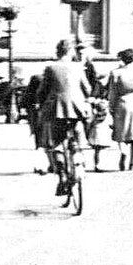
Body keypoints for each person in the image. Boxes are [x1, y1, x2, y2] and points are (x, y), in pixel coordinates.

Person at [37, 39, 93, 195]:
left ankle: (62, 176)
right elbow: (87, 89)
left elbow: (42, 91)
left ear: (58, 52)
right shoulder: (78, 67)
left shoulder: (51, 68)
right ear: (71, 52)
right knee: (77, 131)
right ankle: (78, 153)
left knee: (56, 142)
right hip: (76, 107)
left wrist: (41, 103)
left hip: (57, 108)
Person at [76, 44, 112, 170]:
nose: (81, 56)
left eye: (83, 54)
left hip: (87, 100)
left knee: (87, 124)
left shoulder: (90, 67)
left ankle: (88, 151)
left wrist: (92, 97)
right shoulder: (73, 65)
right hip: (76, 98)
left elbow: (93, 83)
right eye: (79, 54)